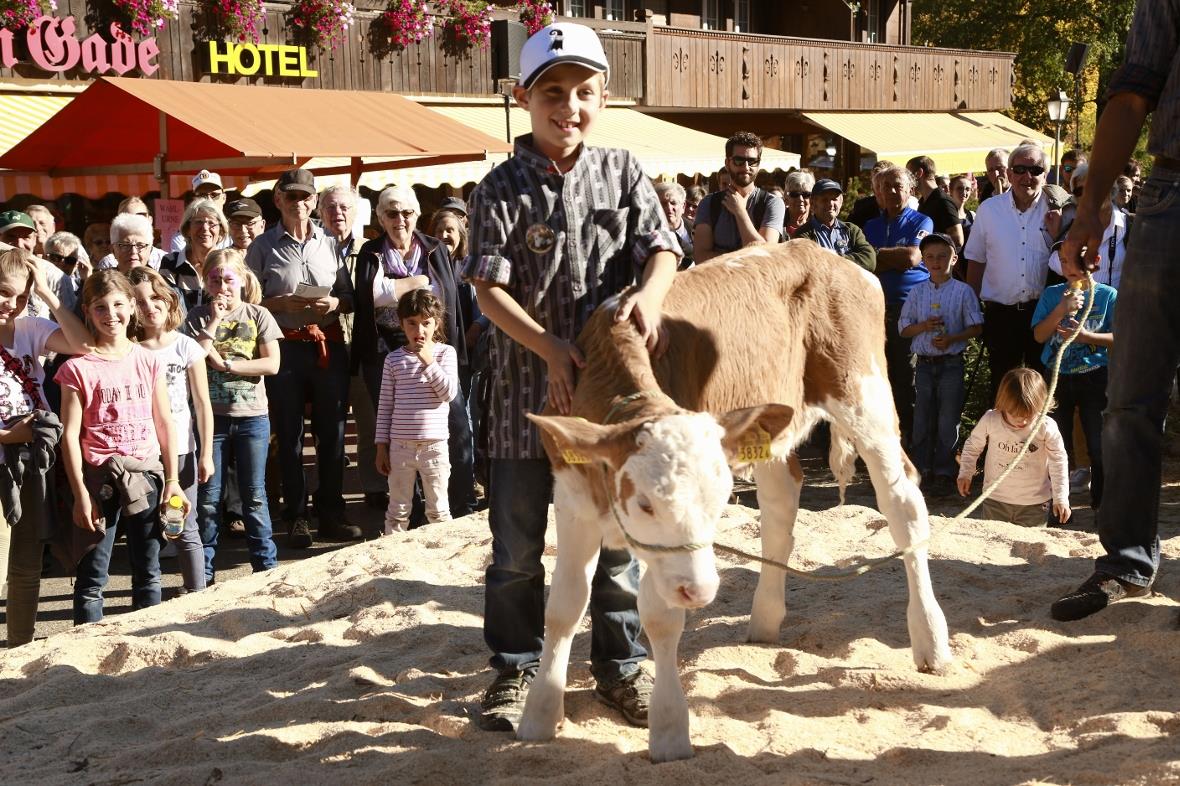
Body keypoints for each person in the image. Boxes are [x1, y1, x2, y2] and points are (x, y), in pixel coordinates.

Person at [464, 21, 678, 732]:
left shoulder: (623, 171)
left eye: (584, 92)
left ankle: (619, 668)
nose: (569, 106)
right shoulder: (498, 187)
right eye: (553, 92)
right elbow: (487, 288)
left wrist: (650, 295)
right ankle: (516, 669)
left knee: (617, 547)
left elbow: (663, 249)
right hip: (525, 400)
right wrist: (549, 347)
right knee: (518, 550)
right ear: (524, 97)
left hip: (611, 407)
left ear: (604, 99)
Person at [1050, 0, 1178, 621]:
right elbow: (1132, 91)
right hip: (1170, 191)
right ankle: (1126, 562)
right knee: (1129, 397)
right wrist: (1090, 207)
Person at [56, 269, 188, 624]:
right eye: (100, 307)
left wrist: (172, 480)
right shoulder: (77, 368)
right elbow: (69, 434)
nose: (110, 314)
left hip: (145, 473)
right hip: (99, 479)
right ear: (87, 310)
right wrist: (80, 493)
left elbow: (164, 421)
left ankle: (147, 648)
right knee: (92, 577)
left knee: (148, 570)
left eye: (117, 304)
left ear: (132, 306)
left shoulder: (148, 360)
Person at [246, 167, 358, 547]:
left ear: (314, 202)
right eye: (291, 196)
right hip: (285, 347)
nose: (299, 203)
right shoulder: (261, 247)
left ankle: (332, 514)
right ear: (278, 200)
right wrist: (278, 302)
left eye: (305, 197)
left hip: (326, 344)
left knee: (332, 434)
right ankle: (296, 517)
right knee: (290, 436)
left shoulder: (329, 243)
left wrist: (337, 301)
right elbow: (247, 302)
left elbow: (350, 295)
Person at [354, 185, 476, 526]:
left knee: (452, 423)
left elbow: (446, 299)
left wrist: (392, 290)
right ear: (380, 218)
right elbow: (370, 297)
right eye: (391, 213)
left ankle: (459, 503)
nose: (400, 220)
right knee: (398, 427)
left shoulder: (434, 247)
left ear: (416, 214)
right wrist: (414, 282)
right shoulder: (371, 252)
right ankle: (414, 510)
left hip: (436, 348)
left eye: (406, 213)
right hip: (387, 351)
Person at [0, 249, 92, 647]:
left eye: (21, 296)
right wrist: (5, 436)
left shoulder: (30, 326)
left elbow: (84, 346)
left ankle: (18, 651)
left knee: (26, 563)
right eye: (4, 293)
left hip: (31, 459)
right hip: (8, 452)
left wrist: (50, 297)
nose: (12, 304)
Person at [183, 249, 281, 584]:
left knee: (254, 494)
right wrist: (214, 319)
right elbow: (195, 353)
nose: (222, 286)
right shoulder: (197, 315)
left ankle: (265, 567)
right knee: (209, 497)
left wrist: (228, 365)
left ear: (241, 279)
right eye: (214, 279)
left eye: (228, 278)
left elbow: (271, 364)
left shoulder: (258, 315)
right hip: (214, 417)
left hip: (252, 414)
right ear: (205, 281)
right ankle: (203, 572)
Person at [128, 266, 214, 594]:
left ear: (168, 300)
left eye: (155, 297)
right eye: (138, 301)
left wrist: (205, 453)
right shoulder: (130, 349)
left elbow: (202, 404)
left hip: (180, 452)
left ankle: (197, 595)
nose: (149, 306)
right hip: (142, 452)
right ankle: (148, 596)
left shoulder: (186, 347)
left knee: (182, 526)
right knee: (147, 530)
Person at [964, 142, 1055, 402]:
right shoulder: (989, 210)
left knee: (1041, 386)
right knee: (1002, 386)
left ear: (1045, 175)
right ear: (1010, 174)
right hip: (1001, 315)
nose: (1028, 176)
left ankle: (1038, 440)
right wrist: (972, 309)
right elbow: (976, 259)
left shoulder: (1057, 209)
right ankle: (1001, 442)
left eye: (1035, 169)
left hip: (1044, 313)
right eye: (1020, 169)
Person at [320, 185, 389, 513]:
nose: (338, 214)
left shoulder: (371, 250)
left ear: (356, 212)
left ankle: (374, 487)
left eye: (344, 207)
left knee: (369, 423)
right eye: (331, 208)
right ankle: (326, 495)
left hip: (362, 350)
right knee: (327, 429)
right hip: (324, 351)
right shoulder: (314, 249)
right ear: (320, 212)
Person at [899, 233, 982, 495]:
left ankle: (945, 470)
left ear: (954, 258)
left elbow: (977, 327)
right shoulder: (917, 292)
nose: (936, 261)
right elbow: (903, 328)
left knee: (948, 419)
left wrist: (952, 338)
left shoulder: (963, 291)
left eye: (942, 256)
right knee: (922, 416)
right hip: (923, 364)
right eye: (931, 257)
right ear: (923, 260)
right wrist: (923, 326)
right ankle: (921, 467)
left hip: (951, 363)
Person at [374, 289, 458, 534]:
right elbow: (386, 405)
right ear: (402, 323)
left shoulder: (445, 353)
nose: (419, 331)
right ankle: (392, 556)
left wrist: (428, 361)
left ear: (436, 323)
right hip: (401, 446)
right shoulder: (393, 360)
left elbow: (448, 394)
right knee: (398, 510)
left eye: (425, 323)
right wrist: (382, 446)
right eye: (412, 323)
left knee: (439, 509)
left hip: (434, 446)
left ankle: (441, 556)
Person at [1031, 273, 1115, 515]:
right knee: (1057, 445)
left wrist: (1086, 337)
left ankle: (1102, 507)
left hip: (1095, 377)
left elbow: (1121, 337)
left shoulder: (1107, 295)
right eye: (1063, 260)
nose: (1069, 266)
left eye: (1073, 260)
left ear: (1093, 262)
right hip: (1057, 375)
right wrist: (1061, 309)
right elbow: (1039, 336)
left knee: (1099, 445)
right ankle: (1058, 508)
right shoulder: (1052, 294)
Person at [864, 164, 933, 443]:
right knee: (879, 375)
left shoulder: (921, 221)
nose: (892, 191)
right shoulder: (870, 226)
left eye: (898, 186)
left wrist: (880, 257)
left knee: (907, 376)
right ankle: (884, 437)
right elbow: (865, 265)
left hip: (910, 311)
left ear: (910, 190)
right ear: (877, 194)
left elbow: (912, 258)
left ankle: (911, 439)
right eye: (885, 187)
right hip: (876, 309)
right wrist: (888, 259)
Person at [957, 368, 1070, 527]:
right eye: (1014, 414)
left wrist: (1061, 497)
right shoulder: (991, 419)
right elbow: (972, 446)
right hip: (995, 499)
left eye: (1028, 416)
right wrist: (966, 473)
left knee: (1029, 547)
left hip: (1034, 504)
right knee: (992, 542)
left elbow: (1058, 461)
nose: (1021, 421)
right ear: (1003, 404)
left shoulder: (1046, 426)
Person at [693, 131, 785, 262]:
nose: (746, 167)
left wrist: (740, 212)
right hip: (720, 282)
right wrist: (746, 259)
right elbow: (700, 257)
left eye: (752, 161)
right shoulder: (709, 203)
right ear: (727, 163)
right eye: (739, 160)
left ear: (759, 164)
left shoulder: (772, 203)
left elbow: (765, 258)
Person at [1048, 163, 1129, 290]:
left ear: (1110, 189)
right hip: (1081, 305)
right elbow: (1054, 265)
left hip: (1116, 305)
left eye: (1096, 188)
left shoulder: (1129, 225)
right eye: (1080, 191)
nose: (1089, 195)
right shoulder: (1071, 227)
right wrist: (1065, 250)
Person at [160, 199, 228, 311]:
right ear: (187, 229)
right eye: (199, 222)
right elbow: (167, 306)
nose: (205, 228)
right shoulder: (170, 263)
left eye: (211, 223)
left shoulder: (228, 264)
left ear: (220, 231)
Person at [794, 178, 876, 271]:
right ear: (813, 203)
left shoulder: (852, 230)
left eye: (834, 199)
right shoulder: (802, 235)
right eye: (824, 200)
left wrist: (831, 258)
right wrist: (849, 260)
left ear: (841, 202)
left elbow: (870, 260)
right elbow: (812, 266)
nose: (830, 204)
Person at [907, 156, 964, 248]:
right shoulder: (923, 202)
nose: (907, 180)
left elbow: (958, 239)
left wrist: (928, 244)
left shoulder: (943, 201)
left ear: (919, 173)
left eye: (909, 175)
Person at [96, 198, 168, 270]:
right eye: (127, 217)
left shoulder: (165, 260)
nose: (134, 221)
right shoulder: (109, 263)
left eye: (140, 216)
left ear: (150, 220)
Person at [171, 170, 229, 252]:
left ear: (224, 198)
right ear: (194, 200)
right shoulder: (181, 237)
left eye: (214, 195)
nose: (209, 200)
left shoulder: (236, 230)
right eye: (202, 195)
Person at [653, 181, 693, 268]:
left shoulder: (696, 229)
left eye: (673, 203)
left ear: (683, 206)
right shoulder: (651, 234)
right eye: (663, 203)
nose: (669, 208)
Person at [783, 170, 815, 238]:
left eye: (806, 194)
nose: (800, 199)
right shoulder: (777, 224)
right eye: (794, 194)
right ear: (786, 197)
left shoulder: (819, 224)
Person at [948, 175, 977, 246]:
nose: (964, 192)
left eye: (967, 189)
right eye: (959, 188)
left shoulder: (972, 216)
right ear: (951, 191)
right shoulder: (945, 215)